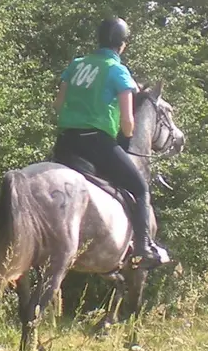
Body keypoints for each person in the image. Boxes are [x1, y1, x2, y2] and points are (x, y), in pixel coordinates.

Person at [53, 17, 170, 268]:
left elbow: (58, 105)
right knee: (139, 188)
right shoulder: (118, 71)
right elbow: (128, 123)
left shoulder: (76, 65)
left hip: (64, 143)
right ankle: (143, 247)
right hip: (97, 145)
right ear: (122, 45)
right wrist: (124, 142)